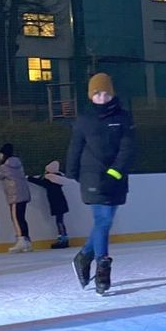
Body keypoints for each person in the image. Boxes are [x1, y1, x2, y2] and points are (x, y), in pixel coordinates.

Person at [66, 73, 136, 296]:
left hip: (116, 177)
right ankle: (102, 268)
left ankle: (84, 255)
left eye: (105, 93)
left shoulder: (124, 118)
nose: (102, 97)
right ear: (91, 96)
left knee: (104, 223)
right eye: (97, 93)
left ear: (112, 93)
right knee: (103, 220)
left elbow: (128, 148)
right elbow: (75, 147)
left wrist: (115, 172)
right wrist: (73, 172)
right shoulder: (85, 119)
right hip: (92, 175)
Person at [0, 143, 33, 253]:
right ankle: (27, 242)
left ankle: (21, 241)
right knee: (21, 218)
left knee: (16, 218)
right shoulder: (18, 164)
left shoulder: (4, 167)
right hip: (24, 194)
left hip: (14, 195)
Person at [28, 161, 71, 249]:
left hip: (57, 202)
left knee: (59, 222)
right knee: (60, 221)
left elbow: (41, 182)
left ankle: (63, 240)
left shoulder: (50, 179)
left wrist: (29, 178)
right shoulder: (57, 179)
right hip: (60, 202)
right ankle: (63, 239)